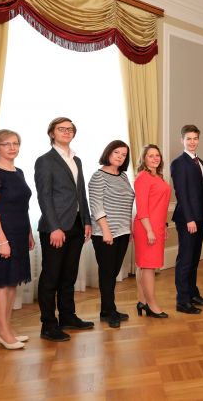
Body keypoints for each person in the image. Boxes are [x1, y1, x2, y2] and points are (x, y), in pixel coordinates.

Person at [35, 117, 93, 342]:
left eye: (70, 129)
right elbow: (44, 196)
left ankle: (67, 317)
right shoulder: (45, 161)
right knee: (51, 277)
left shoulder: (76, 160)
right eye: (62, 129)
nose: (67, 132)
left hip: (77, 225)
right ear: (52, 133)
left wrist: (87, 221)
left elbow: (81, 194)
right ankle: (48, 325)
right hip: (56, 228)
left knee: (69, 275)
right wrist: (54, 227)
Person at [0, 129, 34, 349]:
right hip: (2, 234)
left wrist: (29, 232)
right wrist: (2, 241)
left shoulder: (18, 171)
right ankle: (2, 331)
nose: (12, 148)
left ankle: (6, 328)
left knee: (13, 281)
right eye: (6, 144)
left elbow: (23, 206)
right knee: (2, 282)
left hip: (19, 233)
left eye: (15, 143)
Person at [88, 140, 134, 328]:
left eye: (124, 155)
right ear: (108, 153)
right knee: (107, 273)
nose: (120, 157)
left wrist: (128, 228)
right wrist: (106, 231)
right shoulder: (98, 176)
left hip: (123, 231)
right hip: (105, 233)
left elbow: (128, 203)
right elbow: (96, 206)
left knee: (113, 272)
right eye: (116, 152)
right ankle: (108, 311)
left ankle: (108, 309)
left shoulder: (123, 176)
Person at [170, 125, 203, 315]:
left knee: (195, 258)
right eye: (189, 138)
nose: (192, 142)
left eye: (195, 138)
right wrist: (189, 219)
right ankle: (182, 300)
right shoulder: (179, 163)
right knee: (185, 260)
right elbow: (181, 193)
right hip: (187, 219)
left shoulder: (200, 162)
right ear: (182, 140)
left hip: (200, 218)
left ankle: (193, 294)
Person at [133, 144, 171, 319]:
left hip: (157, 226)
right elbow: (142, 209)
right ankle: (152, 305)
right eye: (150, 156)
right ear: (144, 159)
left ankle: (142, 301)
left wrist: (164, 226)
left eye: (157, 155)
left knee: (143, 265)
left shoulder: (157, 177)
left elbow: (159, 205)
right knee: (148, 266)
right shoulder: (143, 177)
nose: (155, 158)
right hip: (146, 227)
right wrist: (149, 230)